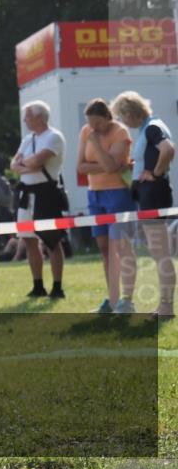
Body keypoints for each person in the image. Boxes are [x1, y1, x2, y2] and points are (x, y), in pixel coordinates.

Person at [112, 91, 175, 318]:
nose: (122, 121)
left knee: (161, 252)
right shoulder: (149, 127)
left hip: (153, 193)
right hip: (149, 193)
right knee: (159, 251)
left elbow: (168, 150)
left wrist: (156, 173)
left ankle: (167, 308)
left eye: (121, 116)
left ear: (130, 113)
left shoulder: (152, 127)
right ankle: (165, 306)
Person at [77, 98, 137, 313]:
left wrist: (95, 146)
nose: (93, 128)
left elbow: (112, 168)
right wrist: (104, 163)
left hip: (118, 194)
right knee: (104, 248)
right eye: (90, 124)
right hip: (95, 195)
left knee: (122, 247)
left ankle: (127, 300)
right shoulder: (86, 131)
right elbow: (80, 167)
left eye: (98, 124)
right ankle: (112, 299)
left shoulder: (120, 133)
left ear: (108, 118)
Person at [11, 102, 68, 301]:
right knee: (28, 239)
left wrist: (26, 164)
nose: (25, 120)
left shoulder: (53, 137)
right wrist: (27, 165)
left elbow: (37, 162)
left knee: (51, 240)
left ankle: (57, 286)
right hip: (27, 194)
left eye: (28, 116)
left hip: (46, 193)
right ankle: (38, 285)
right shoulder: (28, 139)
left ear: (40, 117)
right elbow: (14, 164)